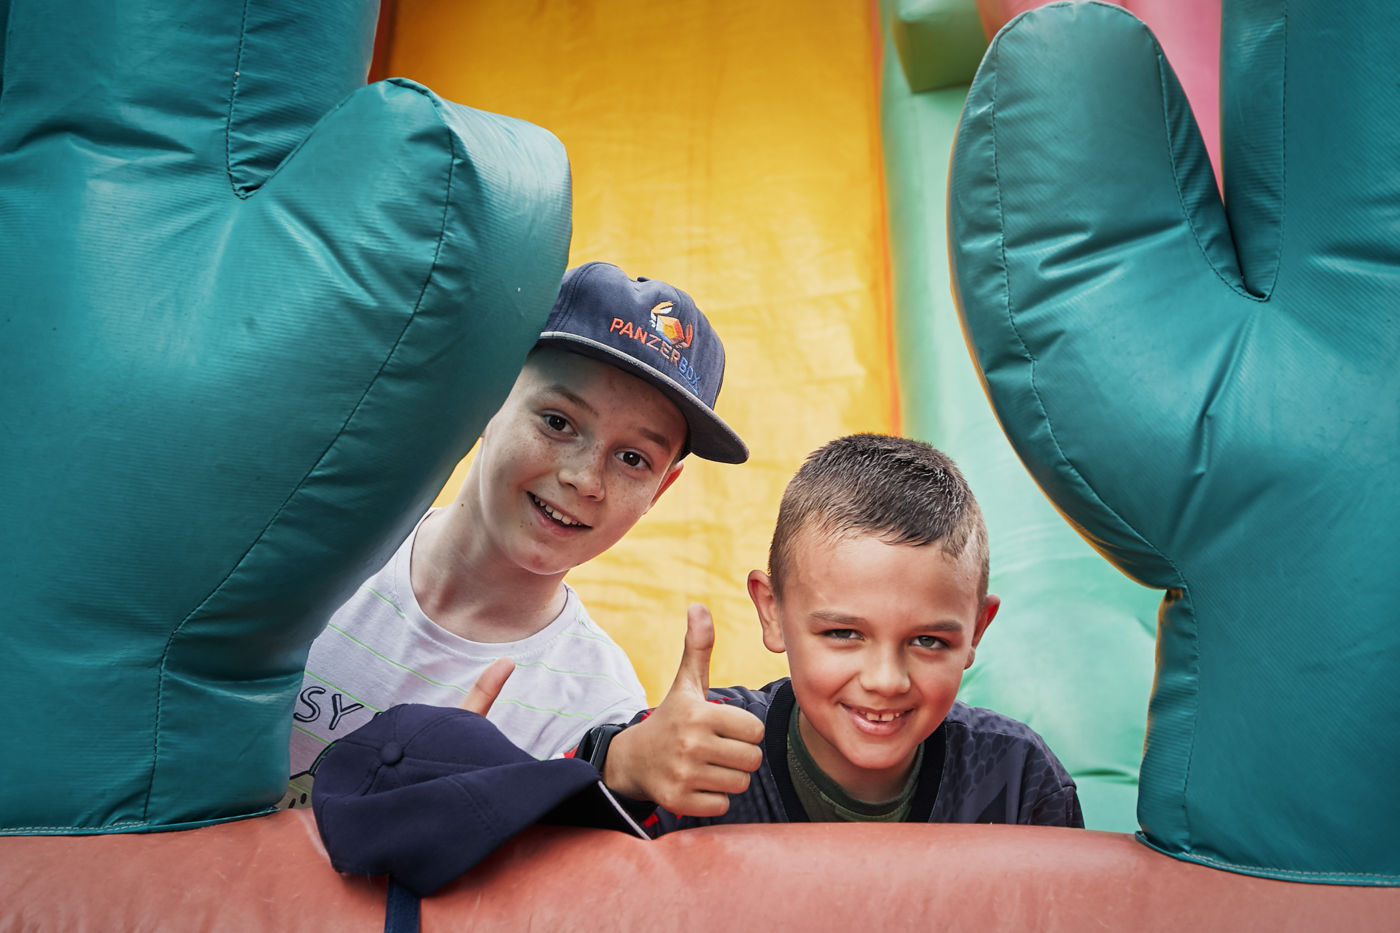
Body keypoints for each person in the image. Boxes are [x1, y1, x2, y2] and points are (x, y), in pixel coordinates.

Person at [282, 261, 748, 808]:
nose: (585, 479)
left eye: (632, 458)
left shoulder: (597, 712)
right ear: (488, 397)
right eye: (558, 422)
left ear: (660, 491)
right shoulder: (312, 549)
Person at [572, 433, 1083, 831]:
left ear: (976, 630)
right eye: (843, 634)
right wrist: (625, 769)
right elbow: (549, 847)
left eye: (928, 641)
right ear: (772, 612)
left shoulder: (1017, 780)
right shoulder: (695, 749)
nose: (886, 681)